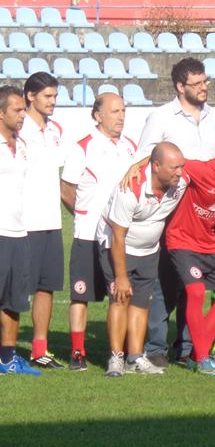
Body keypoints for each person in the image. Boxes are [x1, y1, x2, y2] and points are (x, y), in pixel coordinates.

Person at [138, 57, 215, 366]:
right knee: (165, 281)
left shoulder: (214, 116)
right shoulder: (161, 117)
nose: (204, 88)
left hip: (204, 212)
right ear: (180, 86)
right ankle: (155, 347)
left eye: (206, 82)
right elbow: (147, 158)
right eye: (197, 84)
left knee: (194, 281)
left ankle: (185, 347)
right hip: (172, 208)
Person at [60, 93, 138, 371]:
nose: (121, 116)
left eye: (123, 110)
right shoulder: (82, 148)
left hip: (117, 237)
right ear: (97, 115)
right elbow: (67, 191)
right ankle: (78, 351)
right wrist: (84, 214)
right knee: (81, 294)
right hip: (87, 234)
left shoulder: (131, 147)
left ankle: (122, 350)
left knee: (120, 292)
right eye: (115, 111)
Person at [162, 128, 215, 376]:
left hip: (208, 243)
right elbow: (170, 163)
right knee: (197, 292)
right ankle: (201, 357)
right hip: (182, 240)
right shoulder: (202, 169)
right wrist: (137, 164)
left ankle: (195, 354)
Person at [97, 142, 187, 377]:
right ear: (155, 167)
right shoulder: (130, 189)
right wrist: (121, 276)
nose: (179, 172)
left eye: (181, 166)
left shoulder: (181, 180)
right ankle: (116, 358)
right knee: (120, 298)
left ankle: (135, 357)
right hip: (119, 247)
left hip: (149, 250)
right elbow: (117, 236)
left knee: (142, 302)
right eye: (173, 167)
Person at [19, 73, 67, 369]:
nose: (53, 102)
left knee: (46, 286)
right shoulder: (16, 128)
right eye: (47, 96)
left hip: (51, 222)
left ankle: (39, 350)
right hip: (22, 223)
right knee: (11, 288)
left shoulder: (56, 130)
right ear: (30, 96)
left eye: (54, 96)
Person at [0, 86, 40, 376]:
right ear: (1, 113)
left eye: (23, 110)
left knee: (14, 301)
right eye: (17, 110)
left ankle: (7, 360)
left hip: (19, 234)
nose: (23, 115)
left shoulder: (23, 145)